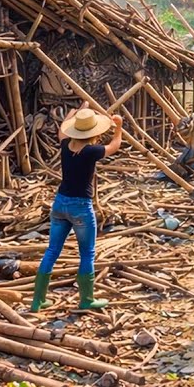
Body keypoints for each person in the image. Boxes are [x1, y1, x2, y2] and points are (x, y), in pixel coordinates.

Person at [31, 103, 123, 311]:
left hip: (60, 203)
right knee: (87, 253)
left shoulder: (65, 145)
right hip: (80, 206)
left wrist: (76, 111)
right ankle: (86, 299)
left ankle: (37, 300)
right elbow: (114, 146)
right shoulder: (91, 151)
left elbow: (62, 130)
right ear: (93, 132)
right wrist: (119, 127)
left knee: (52, 251)